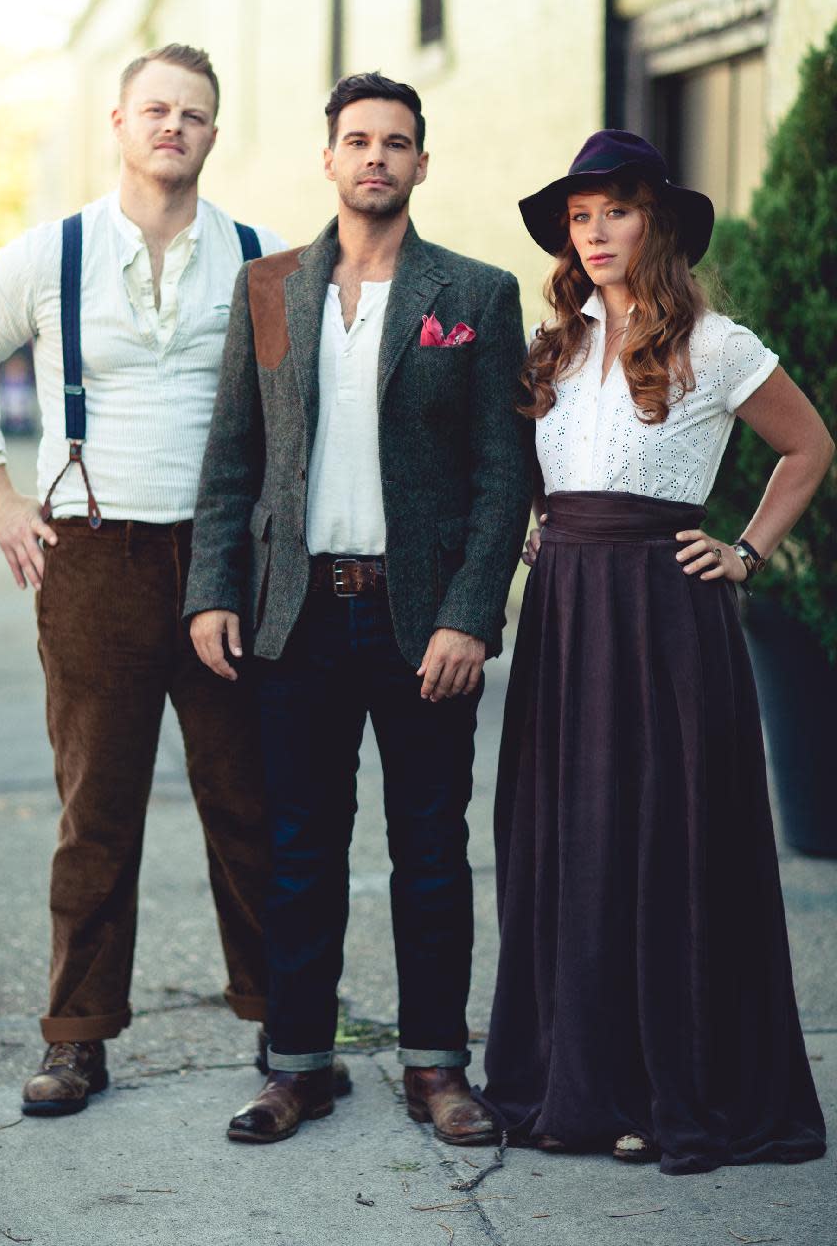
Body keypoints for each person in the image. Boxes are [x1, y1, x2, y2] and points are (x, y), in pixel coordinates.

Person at [0, 44, 288, 1117]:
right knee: (96, 808)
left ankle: (286, 1025)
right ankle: (77, 1037)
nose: (174, 125)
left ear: (214, 135)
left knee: (247, 800)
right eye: (156, 109)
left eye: (195, 113)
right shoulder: (53, 253)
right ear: (121, 125)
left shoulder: (260, 259)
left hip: (224, 556)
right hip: (93, 554)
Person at [186, 71, 531, 1145]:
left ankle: (436, 1063)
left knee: (429, 850)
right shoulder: (270, 288)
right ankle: (297, 1063)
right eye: (357, 140)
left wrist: (471, 614)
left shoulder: (474, 296)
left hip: (419, 621)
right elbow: (233, 455)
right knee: (297, 851)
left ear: (421, 164)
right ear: (327, 158)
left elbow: (500, 473)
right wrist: (210, 591)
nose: (375, 156)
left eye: (396, 142)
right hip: (295, 618)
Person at [479, 129, 833, 1175]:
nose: (593, 232)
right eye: (578, 217)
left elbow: (809, 446)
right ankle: (573, 1084)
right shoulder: (553, 346)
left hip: (666, 616)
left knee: (664, 841)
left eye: (615, 211)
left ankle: (664, 1083)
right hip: (565, 615)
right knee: (570, 837)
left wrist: (745, 549)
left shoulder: (716, 343)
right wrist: (547, 523)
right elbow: (548, 466)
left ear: (657, 223)